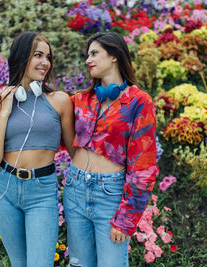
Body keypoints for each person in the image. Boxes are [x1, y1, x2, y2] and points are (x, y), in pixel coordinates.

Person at [63, 32, 159, 267]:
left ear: (114, 55)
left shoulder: (139, 101)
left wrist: (126, 219)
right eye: (87, 55)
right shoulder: (81, 100)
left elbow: (144, 166)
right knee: (78, 264)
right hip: (75, 188)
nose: (88, 60)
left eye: (94, 53)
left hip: (110, 195)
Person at [0, 32, 75, 267]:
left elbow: (76, 152)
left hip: (41, 192)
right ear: (22, 57)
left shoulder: (60, 101)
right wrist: (3, 112)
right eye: (38, 55)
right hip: (4, 189)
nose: (45, 62)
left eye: (48, 56)